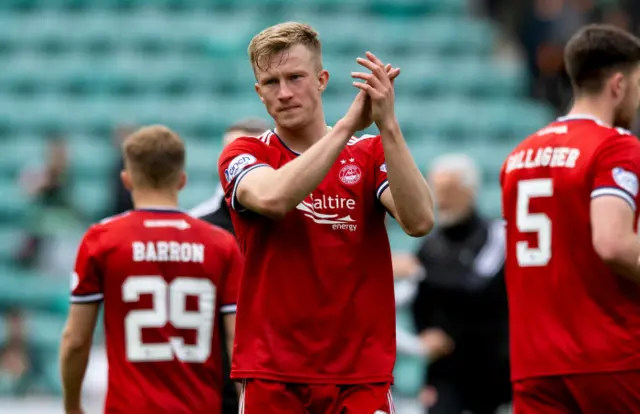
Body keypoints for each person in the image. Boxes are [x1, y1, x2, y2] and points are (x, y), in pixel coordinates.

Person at [217, 22, 435, 413]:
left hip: (359, 374)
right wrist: (348, 125)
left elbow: (419, 221)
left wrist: (387, 124)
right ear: (258, 92)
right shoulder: (245, 153)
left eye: (295, 77)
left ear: (321, 79)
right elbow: (273, 197)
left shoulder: (368, 154)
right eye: (271, 82)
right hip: (273, 372)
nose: (284, 92)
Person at [501, 24, 640, 413]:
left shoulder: (518, 156)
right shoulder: (616, 147)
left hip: (534, 363)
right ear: (618, 85)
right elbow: (613, 244)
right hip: (609, 357)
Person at [59, 125, 242, 414]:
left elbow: (76, 340)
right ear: (182, 180)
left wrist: (72, 406)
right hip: (200, 407)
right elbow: (236, 344)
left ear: (126, 179)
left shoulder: (102, 240)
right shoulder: (221, 244)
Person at [191, 117, 269, 414]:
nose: (238, 164)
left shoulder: (295, 220)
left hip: (288, 380)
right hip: (217, 389)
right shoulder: (197, 228)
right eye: (231, 154)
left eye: (249, 155)